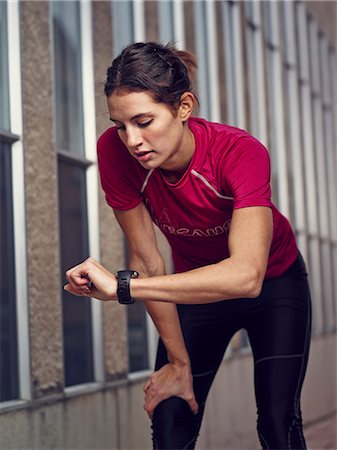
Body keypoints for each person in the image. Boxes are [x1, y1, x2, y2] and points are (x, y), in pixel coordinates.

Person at [64, 42, 312, 450]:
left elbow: (246, 275)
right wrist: (178, 363)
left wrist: (123, 287)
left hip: (275, 285)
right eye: (120, 125)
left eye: (144, 121)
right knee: (170, 419)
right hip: (197, 295)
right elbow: (149, 261)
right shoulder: (115, 152)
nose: (132, 140)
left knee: (276, 421)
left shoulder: (240, 152)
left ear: (184, 107)